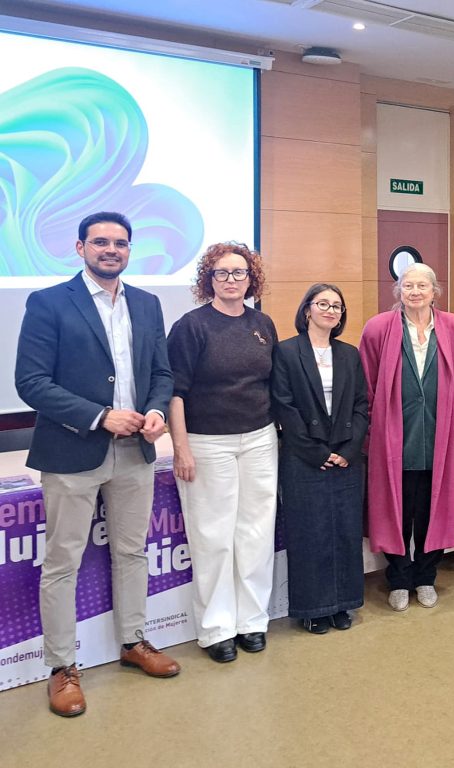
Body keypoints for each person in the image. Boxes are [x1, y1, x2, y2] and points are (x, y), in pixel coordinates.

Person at [15, 211, 180, 717]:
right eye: (101, 242)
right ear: (80, 247)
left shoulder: (147, 303)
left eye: (121, 243)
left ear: (130, 250)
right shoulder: (48, 303)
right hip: (71, 451)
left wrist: (156, 411)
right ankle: (62, 667)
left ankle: (133, 641)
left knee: (132, 552)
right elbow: (31, 382)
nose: (112, 250)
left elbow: (161, 373)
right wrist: (100, 416)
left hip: (136, 453)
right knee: (62, 562)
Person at [167, 242, 279, 662]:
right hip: (207, 442)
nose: (231, 280)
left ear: (251, 279)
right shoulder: (191, 326)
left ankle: (252, 621)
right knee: (213, 537)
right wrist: (181, 447)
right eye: (221, 273)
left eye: (239, 273)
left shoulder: (262, 323)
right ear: (208, 279)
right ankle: (216, 629)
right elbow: (175, 392)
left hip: (259, 439)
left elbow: (270, 383)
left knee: (255, 534)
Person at [358, 263, 454, 611]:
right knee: (397, 510)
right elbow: (366, 385)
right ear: (398, 290)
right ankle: (399, 579)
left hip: (443, 437)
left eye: (422, 286)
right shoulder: (377, 328)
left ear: (434, 291)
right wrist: (369, 432)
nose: (415, 292)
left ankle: (426, 576)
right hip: (393, 436)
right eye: (408, 285)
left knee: (434, 510)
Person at [271, 284, 368, 634]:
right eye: (323, 303)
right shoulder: (286, 352)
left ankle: (342, 604)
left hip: (346, 457)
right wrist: (316, 452)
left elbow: (361, 405)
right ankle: (314, 608)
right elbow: (284, 406)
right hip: (304, 457)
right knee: (310, 534)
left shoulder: (349, 354)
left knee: (345, 532)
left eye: (337, 306)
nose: (330, 310)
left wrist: (348, 450)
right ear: (307, 310)